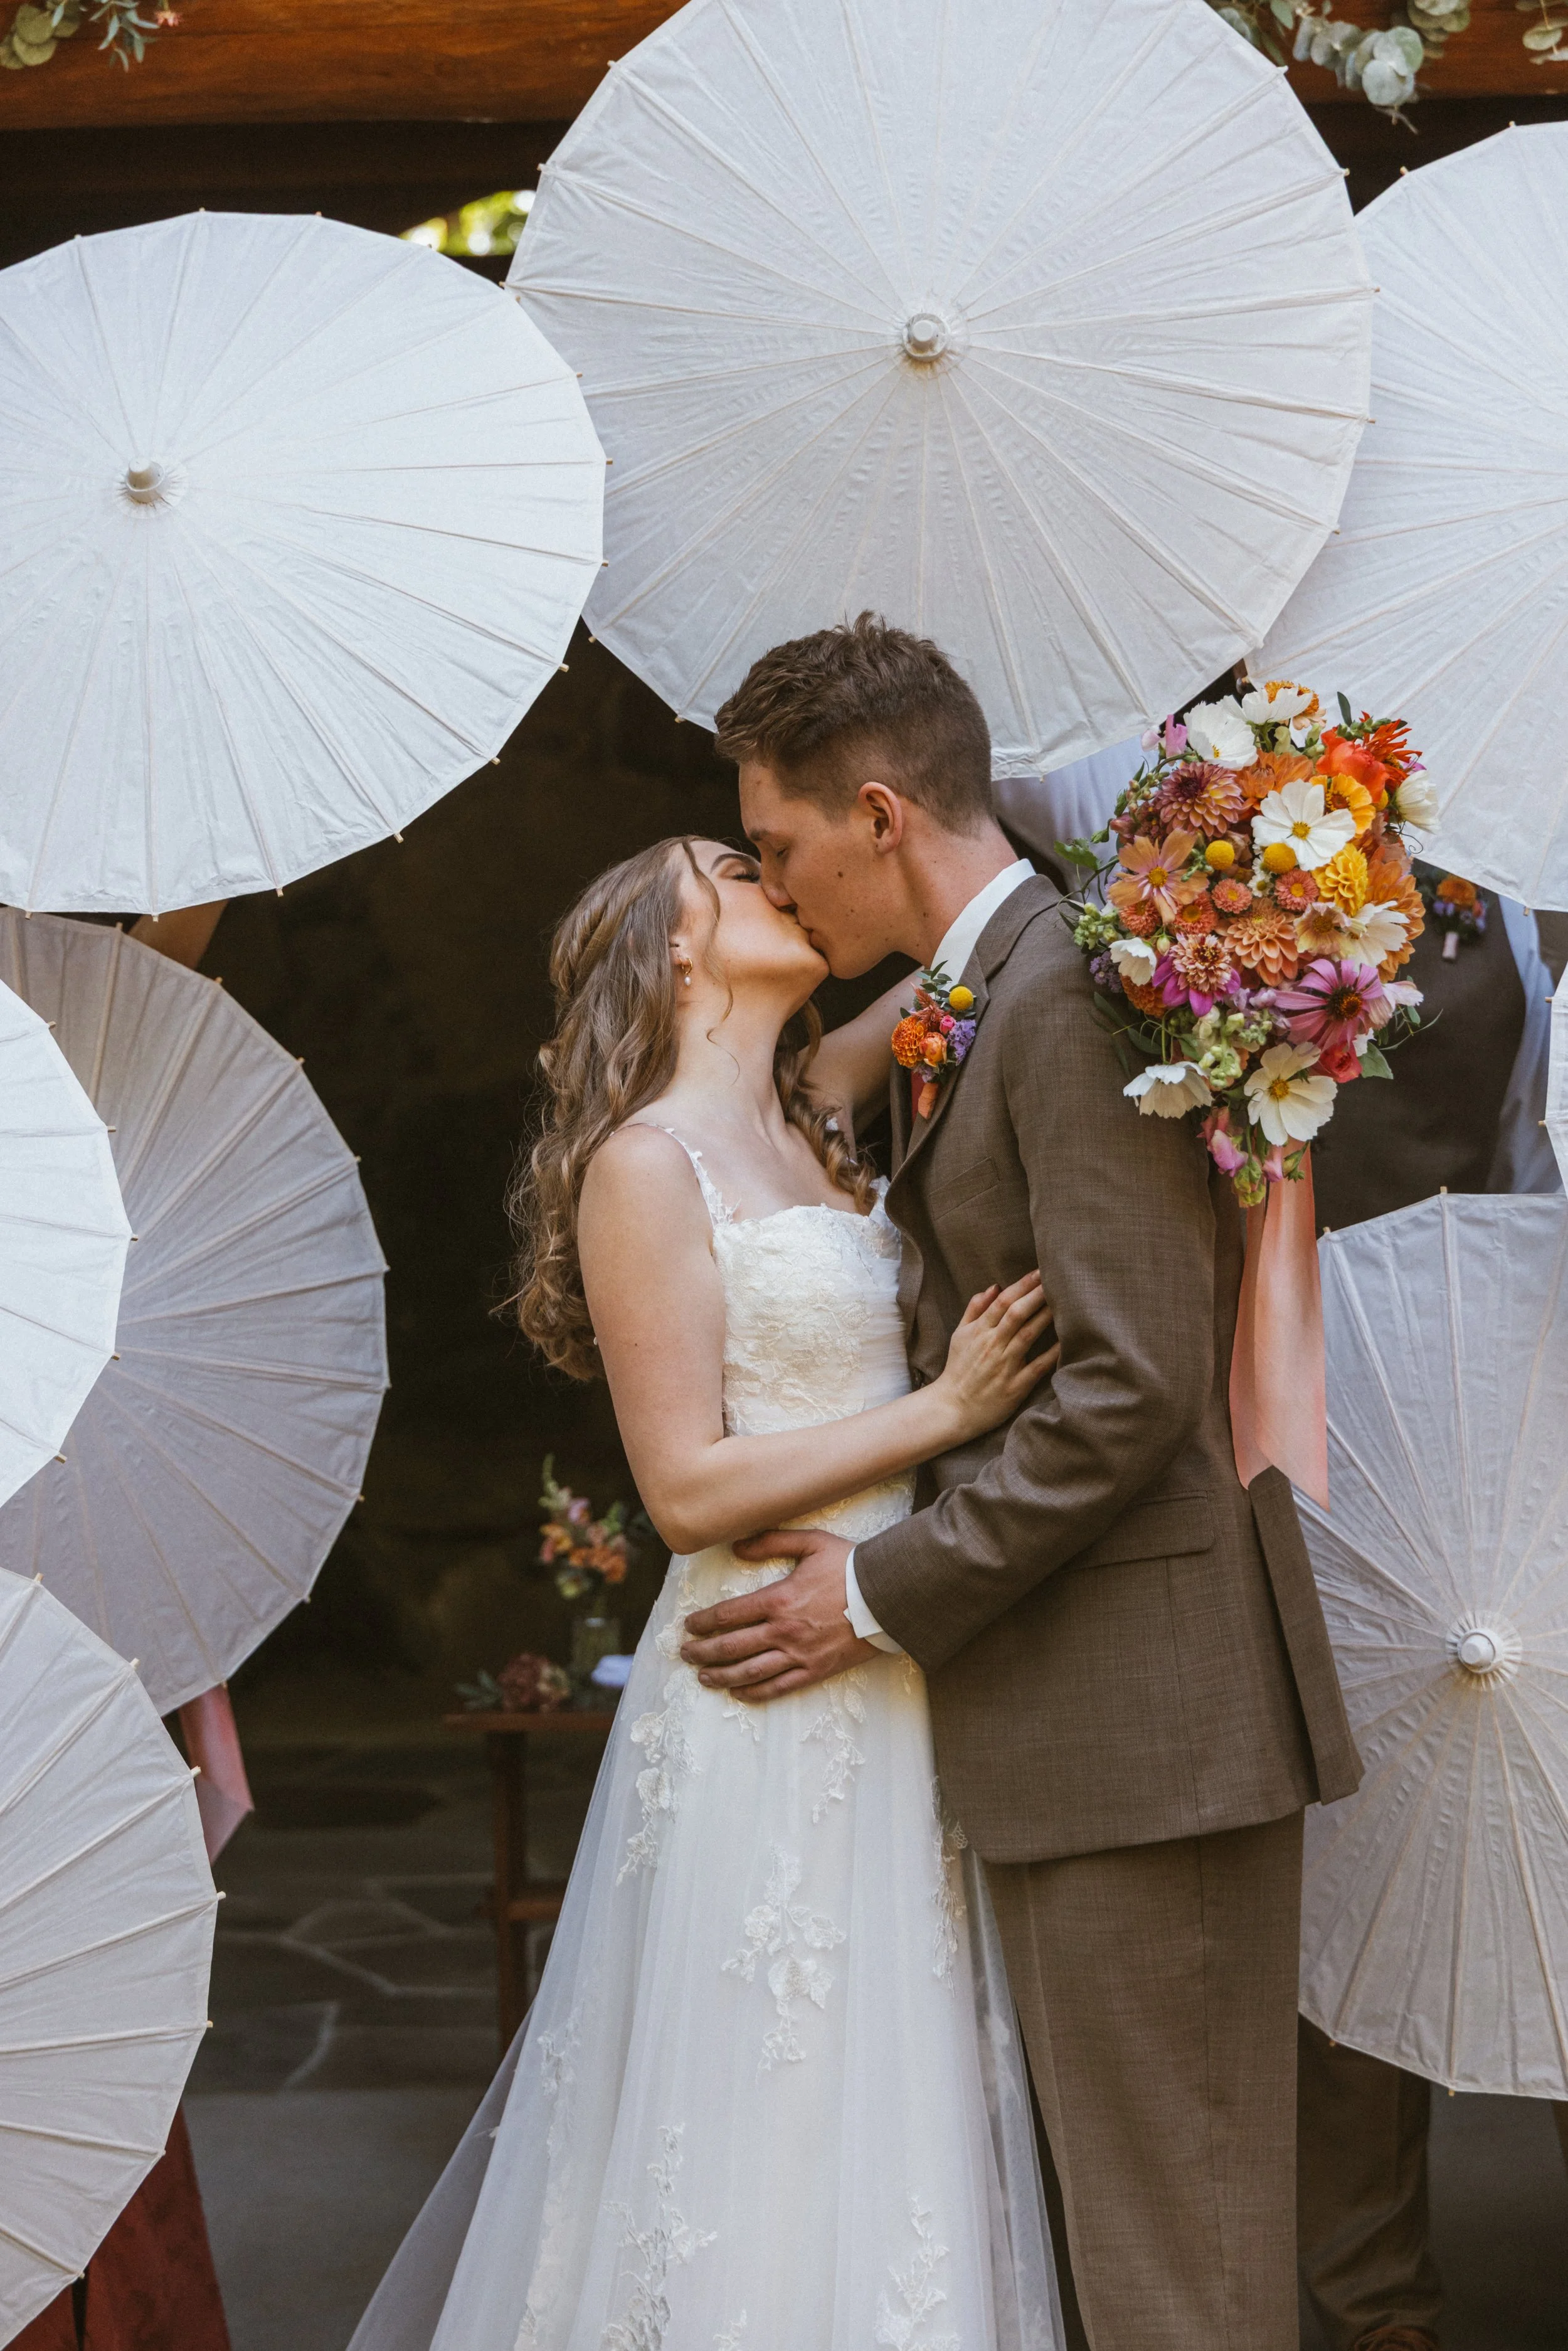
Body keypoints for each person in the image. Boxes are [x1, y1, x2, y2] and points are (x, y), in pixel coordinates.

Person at [678, 614, 1364, 2351]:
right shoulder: (998, 991)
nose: (780, 883)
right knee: (1125, 2257)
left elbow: (1126, 1388)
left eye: (779, 845)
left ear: (882, 811)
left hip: (1156, 1732)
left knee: (1178, 2269)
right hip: (1083, 1728)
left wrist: (879, 1589)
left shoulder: (1068, 996)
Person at [348, 832, 1067, 2350]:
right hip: (757, 1681)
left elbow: (977, 932)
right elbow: (679, 1485)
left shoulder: (821, 1108)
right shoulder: (642, 1163)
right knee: (755, 2091)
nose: (776, 878)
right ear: (673, 948)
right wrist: (942, 1413)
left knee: (890, 2084)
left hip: (889, 1647)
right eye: (737, 867)